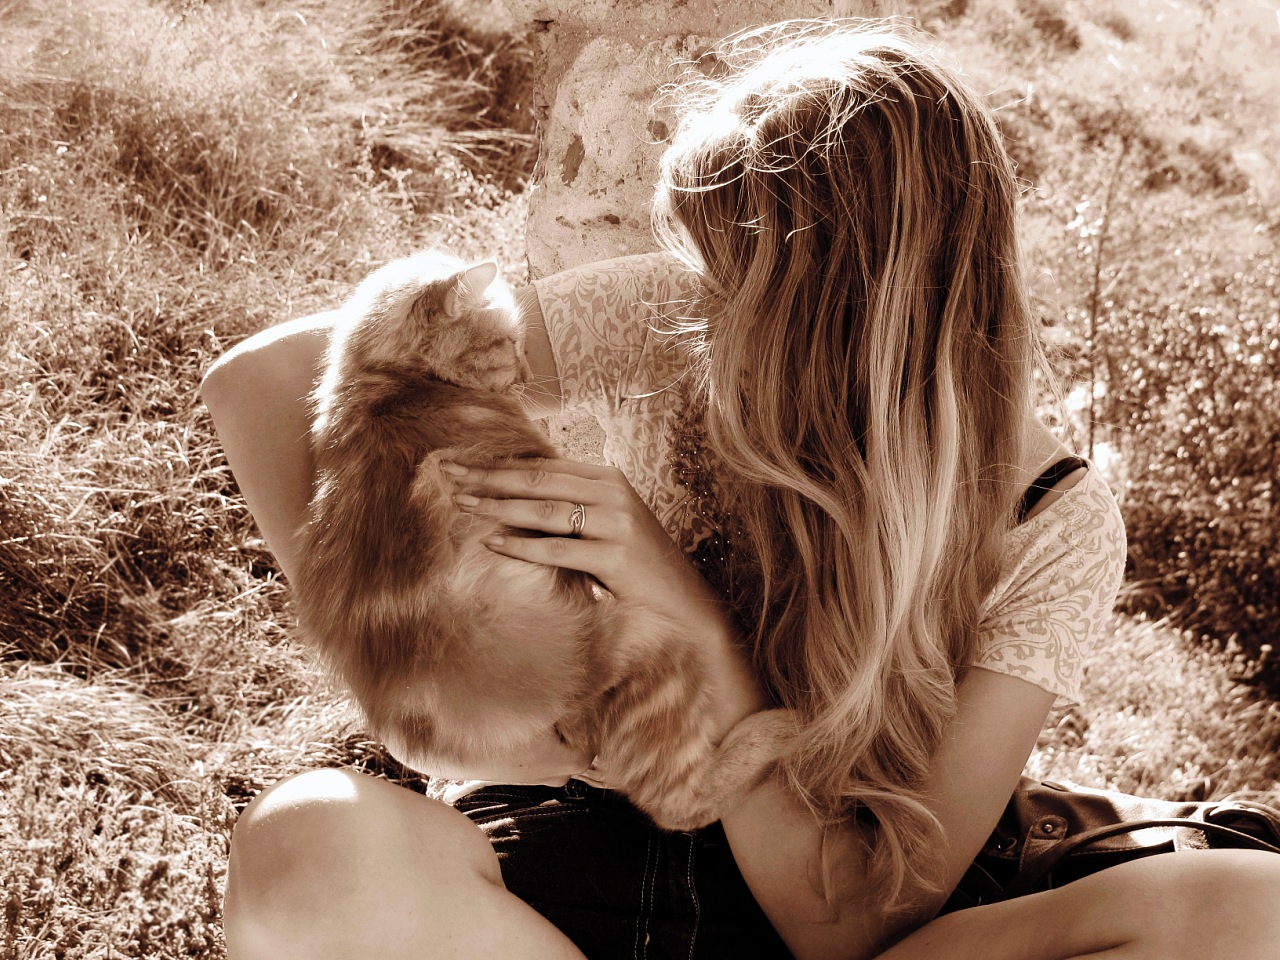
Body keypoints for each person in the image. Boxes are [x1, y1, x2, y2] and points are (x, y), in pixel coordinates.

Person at [200, 18, 1280, 960]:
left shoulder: (1051, 520)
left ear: (853, 317)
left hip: (844, 903)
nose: (704, 310)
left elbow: (850, 924)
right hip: (571, 865)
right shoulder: (686, 315)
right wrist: (409, 669)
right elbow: (266, 382)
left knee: (1249, 911)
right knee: (307, 841)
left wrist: (689, 618)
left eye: (738, 285)